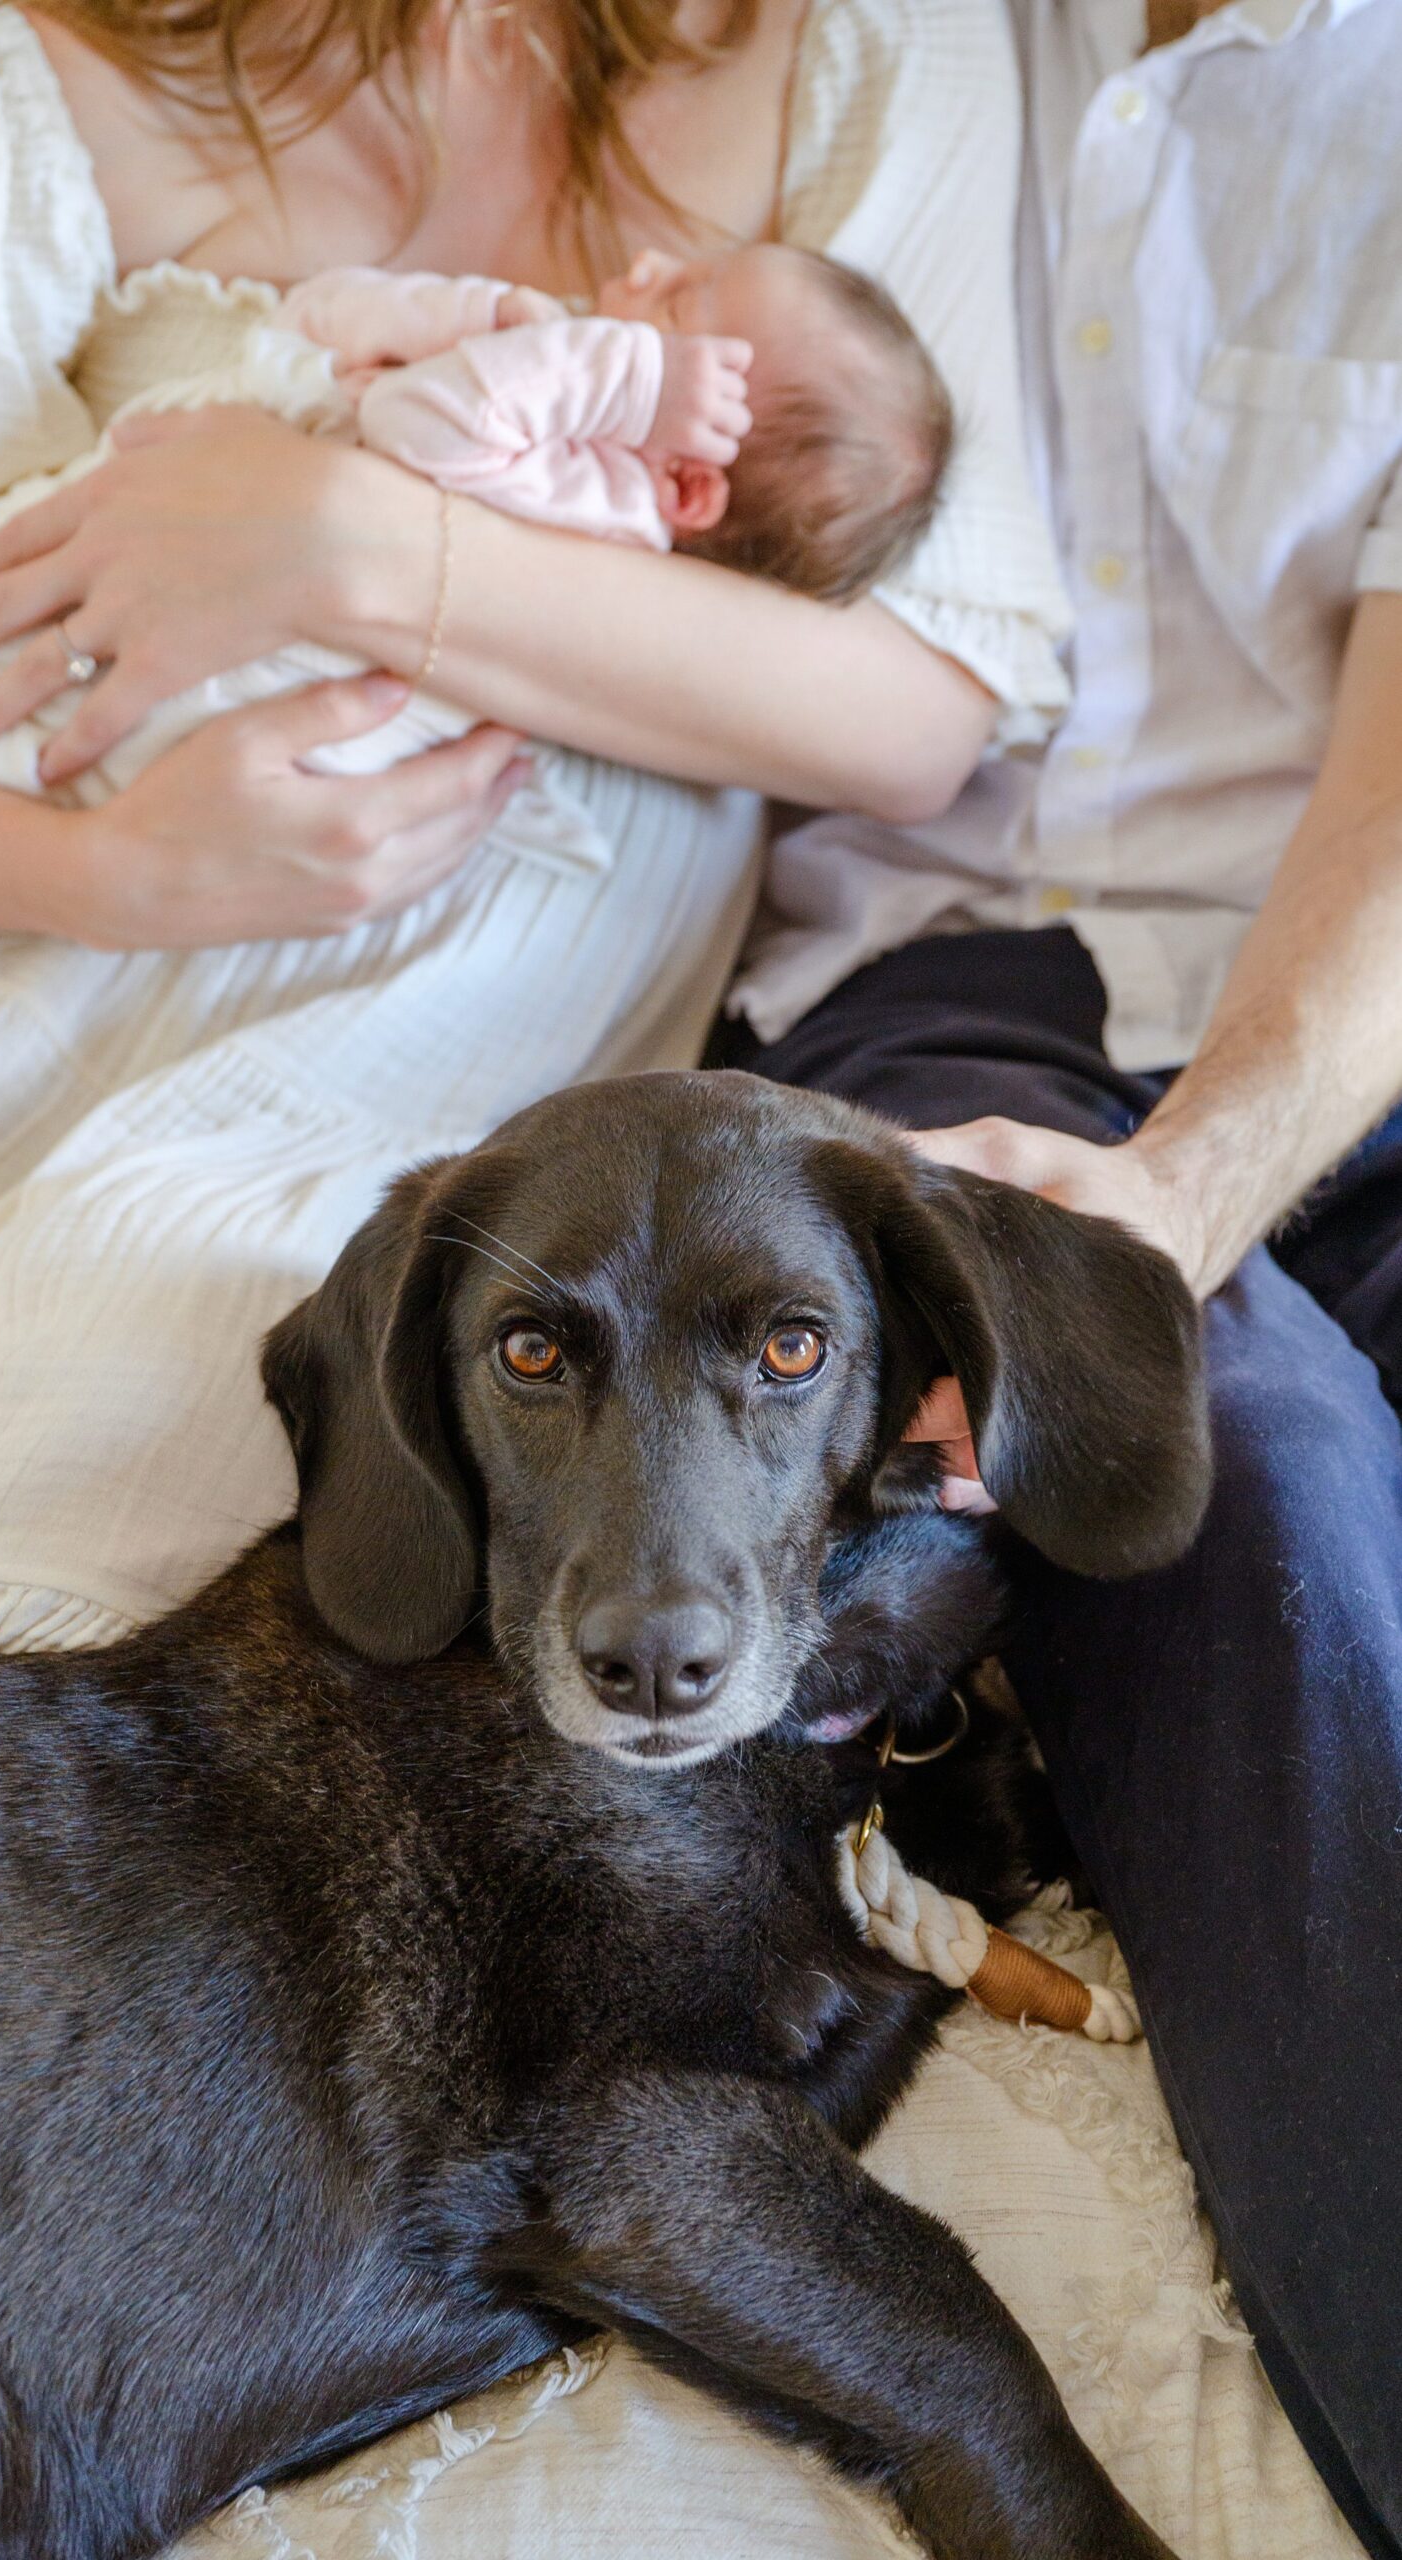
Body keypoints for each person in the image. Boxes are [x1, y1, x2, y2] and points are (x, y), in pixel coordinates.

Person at [0, 0, 1064, 1721]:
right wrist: (121, 876)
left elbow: (919, 709)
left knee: (140, 1396)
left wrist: (346, 543)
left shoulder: (861, 46)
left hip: (361, 1081)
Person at [713, 0, 1402, 2551]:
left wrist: (1207, 1169)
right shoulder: (836, 53)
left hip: (1327, 978)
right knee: (1246, 1465)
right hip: (938, 983)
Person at [0, 244, 953, 827]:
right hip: (200, 565)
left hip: (250, 682)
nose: (643, 272)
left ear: (689, 489)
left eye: (678, 314)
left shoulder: (593, 502)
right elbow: (326, 320)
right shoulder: (567, 435)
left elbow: (409, 423)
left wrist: (611, 369)